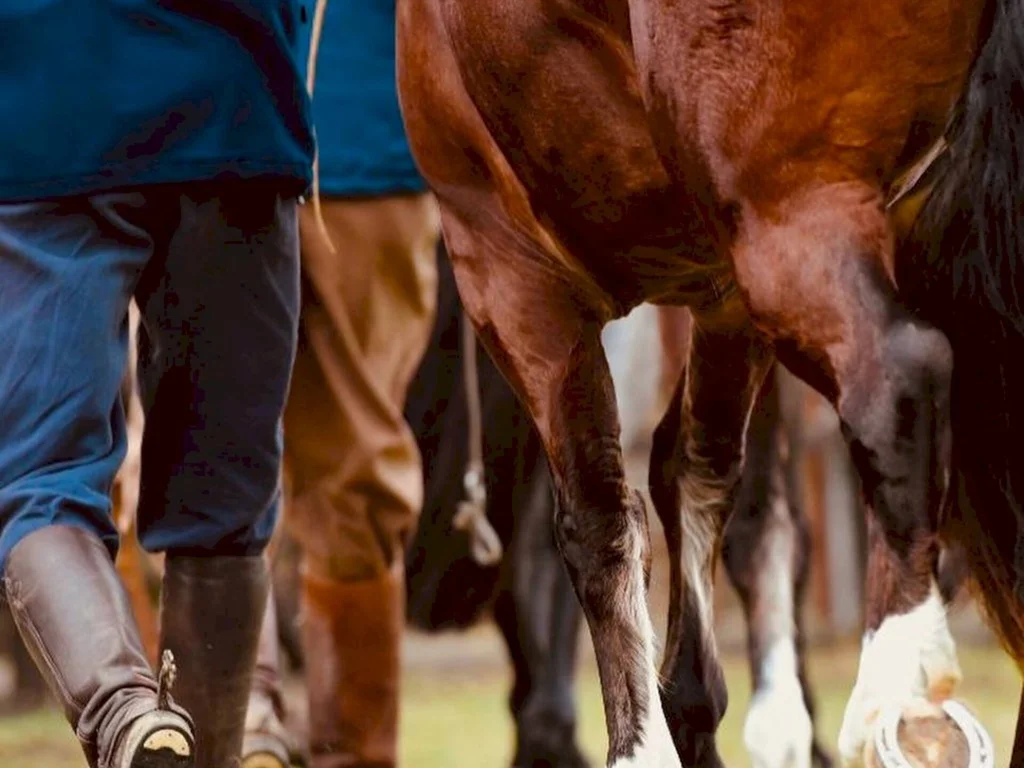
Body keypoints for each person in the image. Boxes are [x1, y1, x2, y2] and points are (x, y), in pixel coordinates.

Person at [0, 3, 314, 768]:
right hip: (236, 107)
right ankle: (199, 735)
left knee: (41, 478)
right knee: (223, 510)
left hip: (47, 108)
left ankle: (126, 714)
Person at [240, 1, 440, 766]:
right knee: (181, 455)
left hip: (361, 140)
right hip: (193, 135)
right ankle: (232, 723)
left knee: (357, 472)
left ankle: (346, 751)